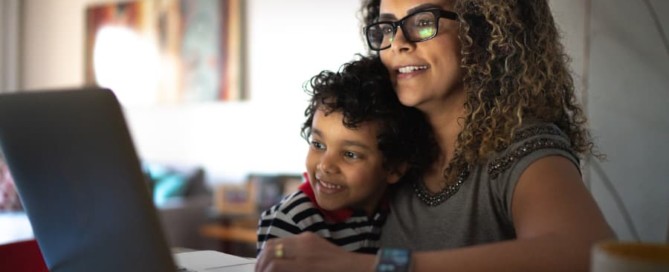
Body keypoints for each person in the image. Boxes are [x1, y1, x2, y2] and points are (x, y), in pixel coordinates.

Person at [255, 0, 615, 271]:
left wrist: (373, 267)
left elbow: (587, 250)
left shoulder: (520, 147)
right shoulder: (390, 143)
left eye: (423, 22)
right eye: (387, 27)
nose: (397, 43)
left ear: (483, 31)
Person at [256, 56, 436, 255]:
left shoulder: (397, 210)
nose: (325, 165)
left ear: (394, 168)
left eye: (350, 154)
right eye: (318, 144)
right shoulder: (294, 220)